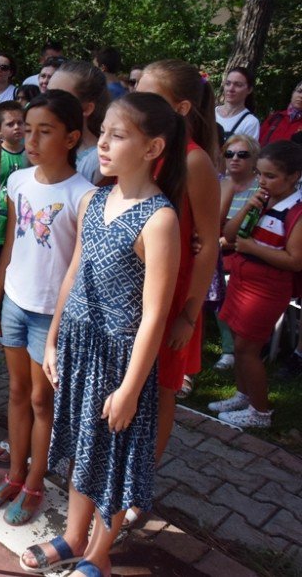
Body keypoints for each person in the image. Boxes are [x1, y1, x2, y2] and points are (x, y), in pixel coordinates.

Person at [21, 92, 183, 577]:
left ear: (153, 148)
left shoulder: (160, 219)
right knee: (82, 445)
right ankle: (74, 537)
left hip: (118, 360)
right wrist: (51, 340)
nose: (103, 145)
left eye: (118, 135)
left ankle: (99, 553)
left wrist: (131, 388)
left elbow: (154, 315)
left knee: (110, 456)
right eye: (104, 133)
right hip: (77, 344)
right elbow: (73, 273)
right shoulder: (94, 198)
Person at [0, 89, 92, 526]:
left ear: (71, 138)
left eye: (45, 131)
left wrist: (57, 328)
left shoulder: (82, 195)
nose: (31, 140)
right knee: (14, 393)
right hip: (14, 302)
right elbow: (10, 246)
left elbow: (77, 270)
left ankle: (35, 482)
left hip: (51, 315)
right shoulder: (18, 181)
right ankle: (14, 474)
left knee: (41, 400)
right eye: (28, 130)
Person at [137, 59, 220, 467]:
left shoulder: (193, 161)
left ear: (182, 108)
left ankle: (140, 483)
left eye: (149, 95)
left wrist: (189, 313)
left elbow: (207, 244)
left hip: (172, 297)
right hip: (131, 288)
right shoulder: (141, 149)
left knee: (160, 390)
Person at [213, 141, 302, 428]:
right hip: (243, 279)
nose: (263, 182)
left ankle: (260, 412)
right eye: (260, 174)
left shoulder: (296, 212)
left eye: (271, 176)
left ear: (294, 177)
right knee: (239, 344)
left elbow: (294, 260)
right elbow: (228, 233)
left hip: (266, 288)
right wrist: (247, 209)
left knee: (248, 350)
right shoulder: (263, 200)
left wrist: (253, 248)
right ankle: (243, 395)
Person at [214, 134, 261, 370]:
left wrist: (222, 242)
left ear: (254, 160)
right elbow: (214, 222)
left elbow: (253, 233)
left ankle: (230, 350)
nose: (234, 159)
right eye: (229, 154)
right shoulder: (220, 183)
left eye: (242, 155)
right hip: (220, 248)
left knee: (220, 281)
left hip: (244, 252)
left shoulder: (262, 187)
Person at [48, 60, 110, 185]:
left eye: (60, 98)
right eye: (47, 94)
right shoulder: (39, 144)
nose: (47, 103)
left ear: (87, 108)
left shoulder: (98, 161)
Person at [0, 101, 29, 262]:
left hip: (24, 221)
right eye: (10, 124)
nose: (17, 127)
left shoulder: (31, 155)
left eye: (20, 123)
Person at [215, 67, 260, 142]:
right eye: (228, 84)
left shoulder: (250, 122)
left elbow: (248, 152)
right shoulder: (210, 113)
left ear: (249, 90)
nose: (231, 89)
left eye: (238, 85)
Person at [258, 79, 302, 146]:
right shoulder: (276, 117)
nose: (301, 96)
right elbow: (257, 143)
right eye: (299, 91)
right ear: (293, 93)